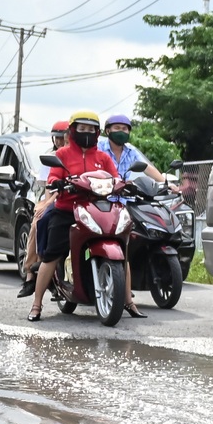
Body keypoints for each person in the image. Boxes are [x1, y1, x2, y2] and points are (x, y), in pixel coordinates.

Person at [26, 111, 134, 321]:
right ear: (73, 131)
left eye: (91, 129)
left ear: (97, 132)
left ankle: (128, 300)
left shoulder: (102, 157)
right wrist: (57, 181)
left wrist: (125, 184)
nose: (86, 133)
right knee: (52, 255)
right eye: (82, 129)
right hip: (67, 210)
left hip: (97, 208)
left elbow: (115, 178)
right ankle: (36, 304)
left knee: (122, 247)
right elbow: (54, 175)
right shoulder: (63, 154)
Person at [18, 120, 70, 295]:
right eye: (58, 138)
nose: (61, 142)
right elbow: (50, 186)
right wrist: (49, 203)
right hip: (54, 198)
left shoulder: (82, 155)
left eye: (64, 138)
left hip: (76, 199)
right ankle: (31, 273)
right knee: (38, 221)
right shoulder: (51, 157)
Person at [102, 114, 165, 183]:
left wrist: (167, 184)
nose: (121, 131)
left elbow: (146, 167)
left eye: (124, 129)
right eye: (117, 128)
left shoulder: (130, 150)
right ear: (108, 131)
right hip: (102, 191)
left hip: (124, 192)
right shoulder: (99, 148)